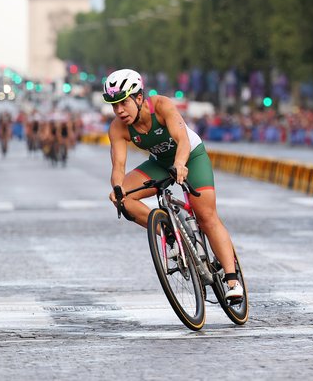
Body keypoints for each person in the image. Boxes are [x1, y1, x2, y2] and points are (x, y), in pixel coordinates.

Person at [103, 69, 243, 301]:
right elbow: (118, 166)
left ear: (139, 98)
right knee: (122, 198)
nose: (119, 111)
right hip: (159, 162)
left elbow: (182, 139)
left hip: (190, 156)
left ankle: (232, 280)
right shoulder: (118, 128)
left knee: (206, 215)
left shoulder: (162, 105)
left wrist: (180, 164)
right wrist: (118, 187)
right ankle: (169, 234)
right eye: (114, 105)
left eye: (123, 103)